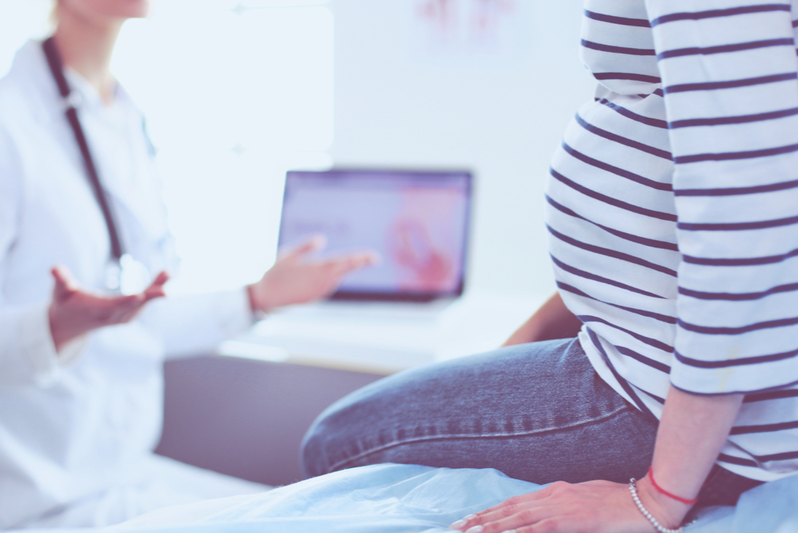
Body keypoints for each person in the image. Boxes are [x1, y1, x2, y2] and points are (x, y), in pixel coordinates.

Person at [301, 0, 798, 531]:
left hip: (676, 392)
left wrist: (658, 499)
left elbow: (749, 218)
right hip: (644, 345)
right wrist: (516, 349)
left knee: (340, 443)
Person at [0, 0, 376, 529]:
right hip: (34, 499)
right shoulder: (10, 122)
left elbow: (140, 319)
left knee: (335, 514)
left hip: (122, 474)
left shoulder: (122, 116)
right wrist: (54, 327)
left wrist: (256, 297)